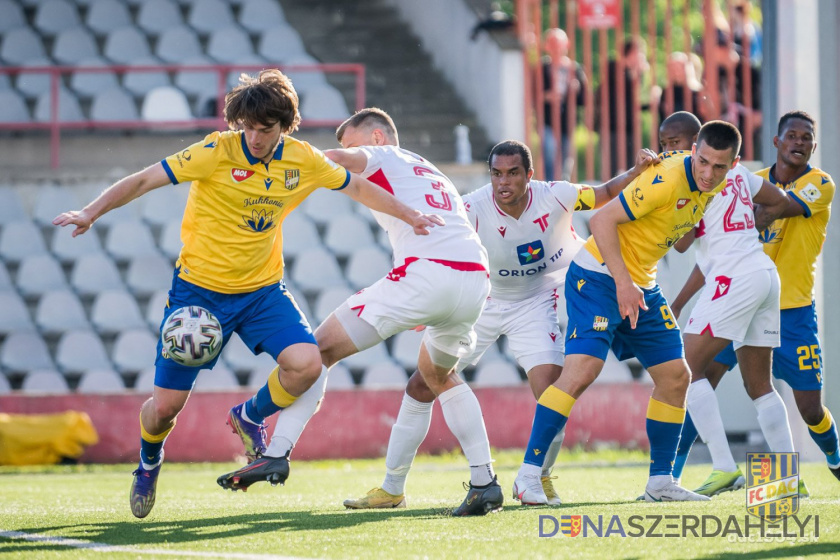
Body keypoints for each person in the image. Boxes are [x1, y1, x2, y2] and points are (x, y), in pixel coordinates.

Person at [53, 71, 440, 519]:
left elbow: (355, 186)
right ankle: (149, 459)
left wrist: (411, 214)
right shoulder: (215, 151)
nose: (255, 137)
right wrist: (90, 211)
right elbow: (143, 180)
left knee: (308, 363)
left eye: (266, 129)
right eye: (248, 127)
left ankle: (250, 415)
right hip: (198, 296)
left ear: (285, 126)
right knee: (164, 409)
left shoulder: (303, 159)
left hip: (261, 291)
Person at [337, 140, 658, 510]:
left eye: (512, 173)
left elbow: (602, 193)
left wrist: (635, 173)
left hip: (538, 301)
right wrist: (423, 301)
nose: (503, 182)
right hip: (485, 301)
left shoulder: (556, 195)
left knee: (552, 392)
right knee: (422, 383)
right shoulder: (470, 206)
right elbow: (437, 249)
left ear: (529, 175)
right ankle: (392, 488)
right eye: (496, 174)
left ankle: (540, 477)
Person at [217, 108, 502, 516]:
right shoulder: (428, 169)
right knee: (437, 376)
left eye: (353, 143)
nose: (349, 152)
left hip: (427, 274)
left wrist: (271, 156)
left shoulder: (384, 156)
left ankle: (277, 451)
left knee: (316, 351)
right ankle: (482, 482)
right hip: (473, 279)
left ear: (378, 139)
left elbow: (333, 161)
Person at [510, 120, 743, 505]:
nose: (707, 173)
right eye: (702, 162)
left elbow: (678, 233)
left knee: (676, 376)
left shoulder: (710, 184)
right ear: (695, 150)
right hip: (600, 275)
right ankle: (528, 476)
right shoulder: (668, 177)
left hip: (641, 284)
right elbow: (601, 219)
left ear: (732, 167)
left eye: (718, 167)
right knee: (583, 370)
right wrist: (622, 283)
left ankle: (660, 482)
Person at [673, 111, 840, 487]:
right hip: (754, 289)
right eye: (791, 136)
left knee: (810, 409)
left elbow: (780, 208)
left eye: (806, 138)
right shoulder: (746, 178)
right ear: (776, 143)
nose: (799, 142)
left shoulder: (820, 183)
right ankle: (674, 475)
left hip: (791, 308)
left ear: (813, 146)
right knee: (718, 380)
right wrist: (680, 300)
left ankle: (831, 456)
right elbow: (715, 253)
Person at [657, 112, 795, 497]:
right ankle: (787, 483)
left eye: (677, 144)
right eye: (667, 144)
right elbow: (780, 199)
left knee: (685, 367)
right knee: (760, 386)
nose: (673, 152)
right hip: (763, 274)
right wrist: (750, 225)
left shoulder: (693, 182)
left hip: (736, 279)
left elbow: (682, 244)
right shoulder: (737, 174)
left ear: (694, 144)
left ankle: (723, 466)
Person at [542, 28, 587, 180]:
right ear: (547, 46)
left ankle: (562, 189)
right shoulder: (541, 68)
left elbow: (585, 99)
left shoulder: (575, 68)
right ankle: (549, 186)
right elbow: (530, 95)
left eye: (559, 43)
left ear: (566, 45)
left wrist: (576, 89)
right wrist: (546, 96)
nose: (556, 48)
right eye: (553, 43)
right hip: (547, 121)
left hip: (568, 123)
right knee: (549, 153)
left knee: (565, 159)